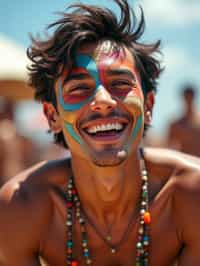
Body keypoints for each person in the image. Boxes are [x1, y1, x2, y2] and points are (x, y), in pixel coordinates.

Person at [0, 1, 200, 265]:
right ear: (53, 116)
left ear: (148, 106)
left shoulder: (191, 196)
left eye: (120, 83)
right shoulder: (20, 208)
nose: (103, 100)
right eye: (79, 88)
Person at [167, 85, 200, 157]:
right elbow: (169, 148)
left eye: (190, 97)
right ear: (183, 98)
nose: (188, 100)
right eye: (186, 97)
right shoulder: (176, 125)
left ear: (194, 97)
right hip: (186, 164)